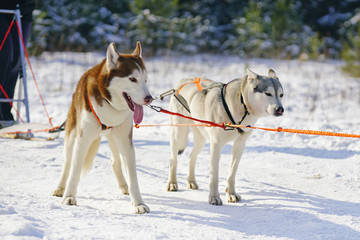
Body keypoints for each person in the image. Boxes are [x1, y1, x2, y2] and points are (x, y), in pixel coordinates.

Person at [0, 0, 35, 128]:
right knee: (5, 55)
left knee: (16, 61)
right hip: (2, 10)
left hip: (25, 10)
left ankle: (5, 112)